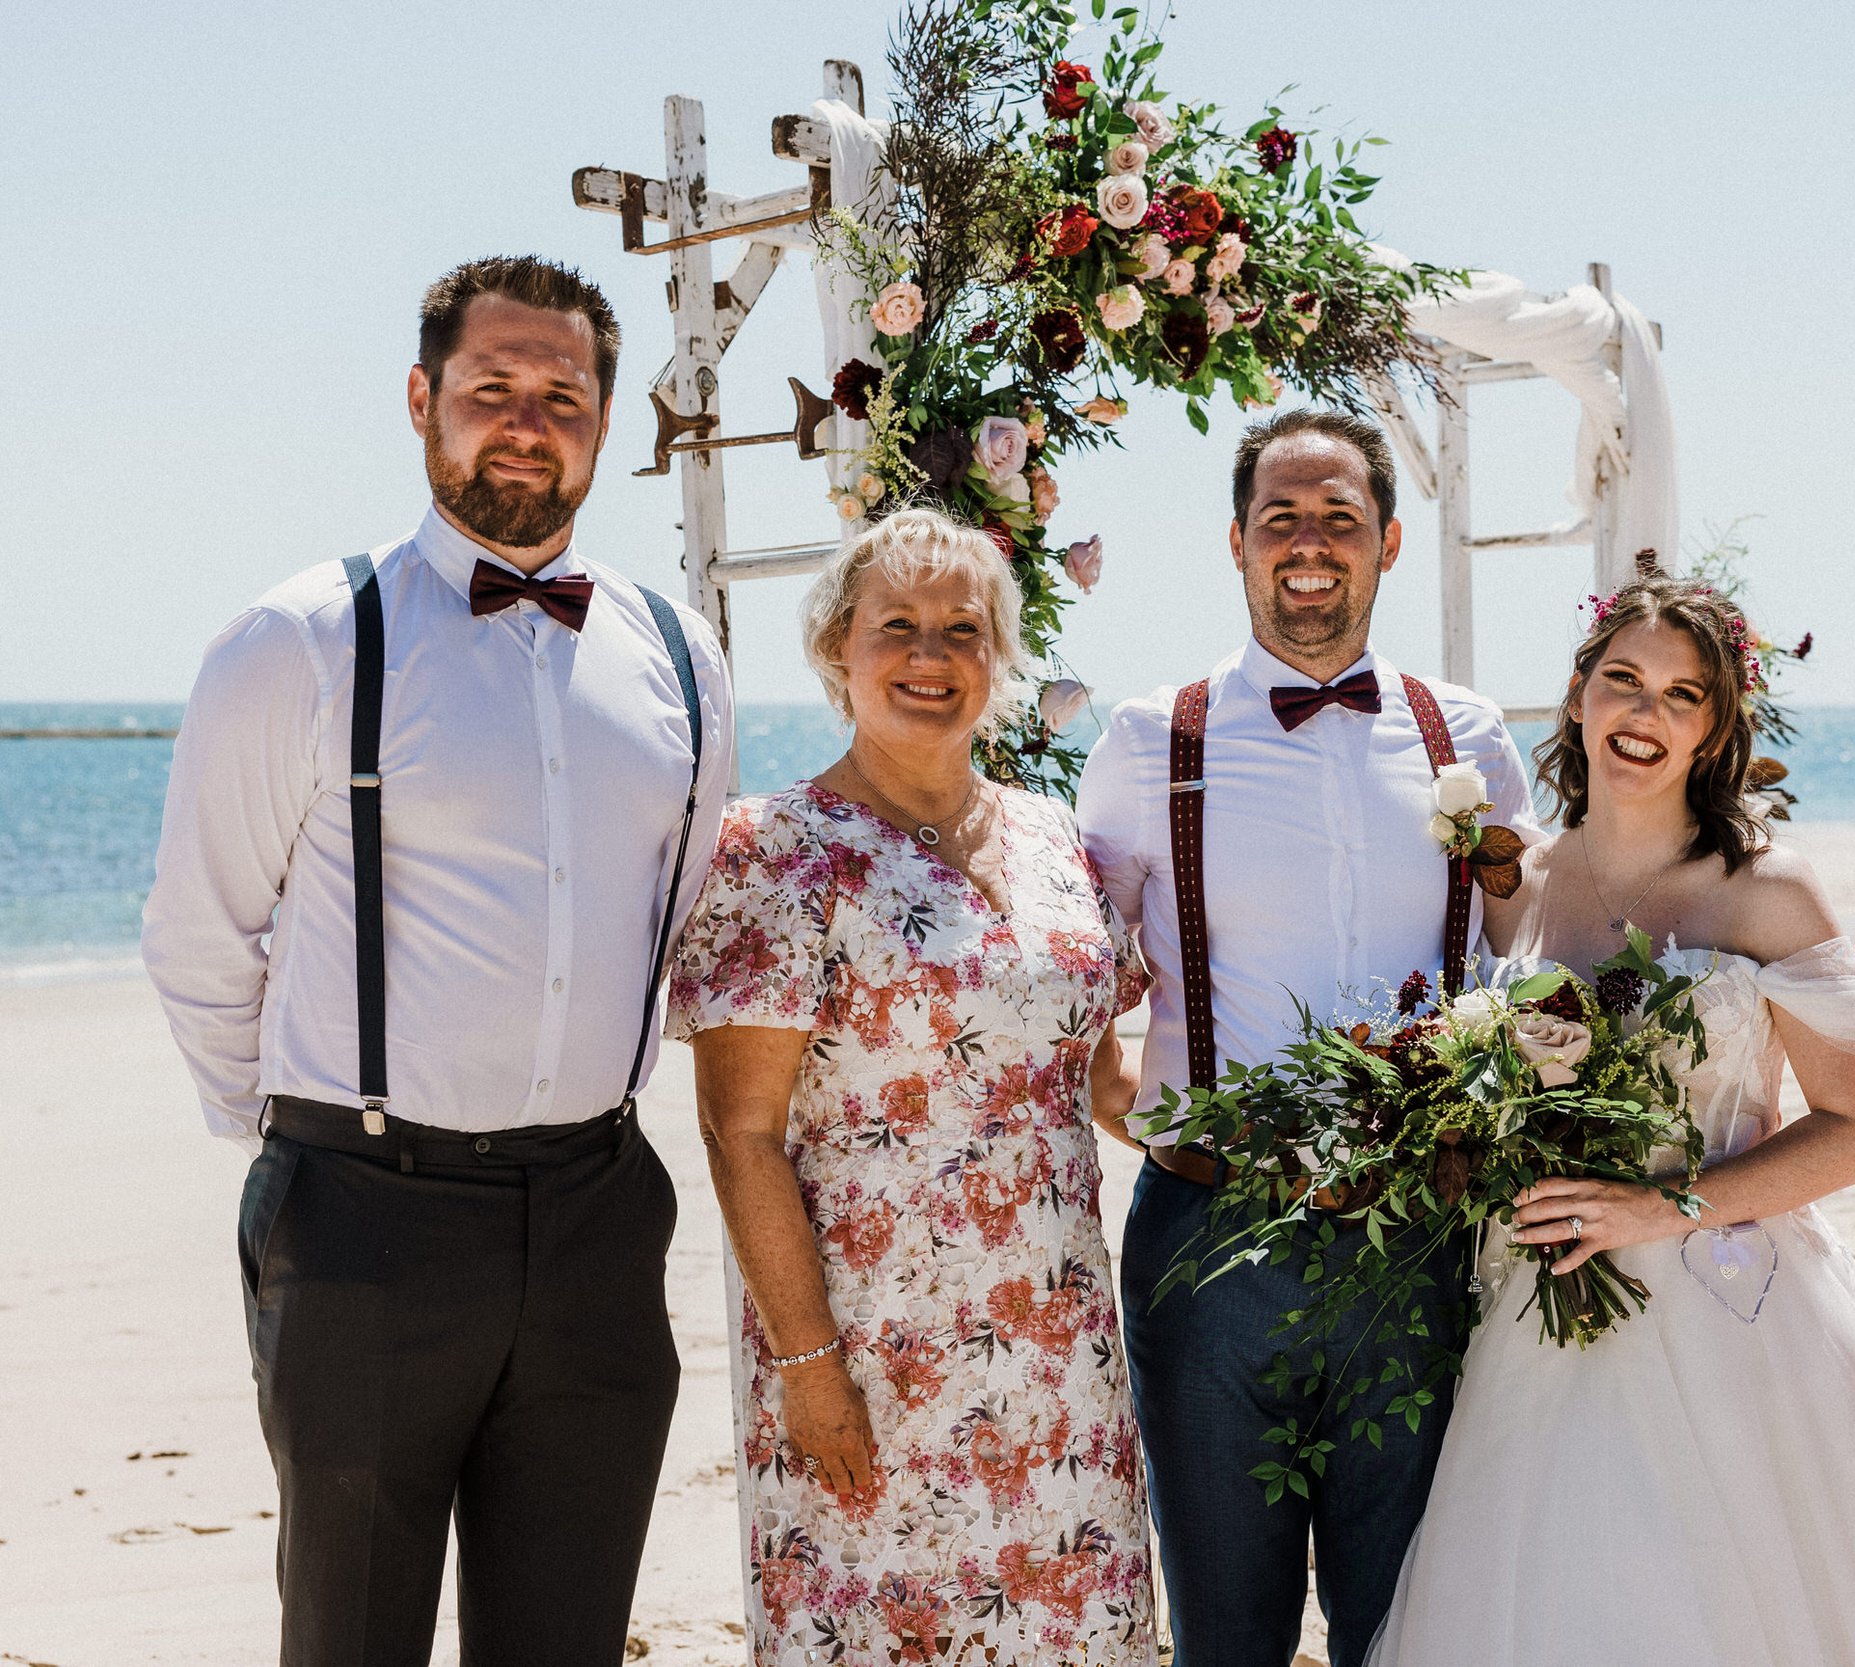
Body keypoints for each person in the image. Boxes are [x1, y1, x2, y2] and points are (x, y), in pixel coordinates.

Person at [141, 256, 732, 1665]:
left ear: (604, 422)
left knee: (568, 1635)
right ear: (423, 401)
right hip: (363, 1218)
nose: (525, 421)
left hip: (597, 1209)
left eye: (561, 395)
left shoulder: (678, 651)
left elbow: (681, 912)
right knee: (350, 1637)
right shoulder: (302, 637)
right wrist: (313, 1147)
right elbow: (198, 937)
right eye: (490, 390)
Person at [1364, 571, 1855, 1666]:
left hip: (1738, 1314)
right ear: (1576, 696)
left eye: (1680, 696)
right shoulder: (1519, 879)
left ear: (1714, 730)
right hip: (1541, 1313)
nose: (1644, 715)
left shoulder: (1767, 888)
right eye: (1623, 681)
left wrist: (1661, 1207)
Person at [1077, 408, 1539, 1667]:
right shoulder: (1144, 740)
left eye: (1339, 516)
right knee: (1225, 1627)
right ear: (1235, 543)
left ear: (1389, 541)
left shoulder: (1470, 736)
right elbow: (1067, 971)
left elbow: (1535, 954)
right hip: (1210, 1242)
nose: (1309, 542)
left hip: (1419, 1243)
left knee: (1404, 1622)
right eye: (1280, 516)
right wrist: (1134, 1097)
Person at [668, 508, 1155, 1665]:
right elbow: (739, 1134)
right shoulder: (775, 849)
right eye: (898, 626)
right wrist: (808, 1366)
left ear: (1000, 656)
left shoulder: (1056, 840)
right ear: (839, 648)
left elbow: (1096, 1074)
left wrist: (1267, 1142)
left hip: (1059, 1355)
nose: (930, 656)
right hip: (871, 1358)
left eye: (963, 629)